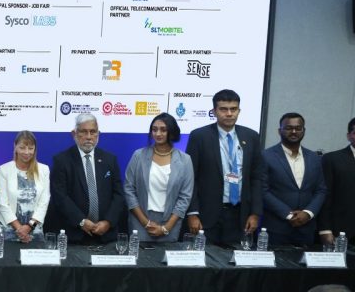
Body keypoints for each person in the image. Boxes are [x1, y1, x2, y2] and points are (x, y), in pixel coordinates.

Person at [185, 89, 264, 245]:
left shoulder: (251, 136)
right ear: (214, 111)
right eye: (223, 109)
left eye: (233, 109)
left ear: (239, 111)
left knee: (238, 258)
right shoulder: (199, 136)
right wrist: (192, 213)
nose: (229, 114)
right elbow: (190, 177)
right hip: (207, 215)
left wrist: (255, 213)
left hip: (241, 215)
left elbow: (257, 178)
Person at [49, 113, 124, 244]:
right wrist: (81, 221)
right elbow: (60, 196)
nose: (89, 137)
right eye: (84, 132)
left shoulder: (110, 160)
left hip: (106, 234)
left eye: (93, 132)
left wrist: (108, 222)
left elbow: (118, 194)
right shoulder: (62, 160)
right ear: (74, 134)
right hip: (74, 234)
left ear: (98, 134)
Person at [123, 113, 194, 243]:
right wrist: (146, 223)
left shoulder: (185, 160)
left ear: (172, 132)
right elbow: (129, 189)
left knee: (166, 256)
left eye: (163, 130)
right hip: (140, 220)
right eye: (154, 129)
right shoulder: (138, 155)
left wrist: (166, 228)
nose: (158, 133)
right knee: (140, 255)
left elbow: (185, 197)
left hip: (171, 222)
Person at [261, 113, 327, 245]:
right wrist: (288, 214)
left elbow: (321, 190)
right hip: (276, 228)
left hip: (306, 228)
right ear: (279, 131)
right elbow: (262, 190)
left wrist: (308, 213)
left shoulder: (314, 158)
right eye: (288, 128)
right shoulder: (265, 156)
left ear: (304, 131)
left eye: (298, 128)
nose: (294, 132)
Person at [0, 131, 49, 243]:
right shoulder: (4, 170)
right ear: (15, 146)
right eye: (22, 148)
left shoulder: (44, 170)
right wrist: (20, 229)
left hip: (34, 230)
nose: (27, 152)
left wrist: (29, 226)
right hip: (8, 230)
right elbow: (3, 203)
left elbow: (44, 202)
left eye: (30, 148)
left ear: (35, 149)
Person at [319, 117, 355, 246]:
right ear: (349, 136)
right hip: (342, 232)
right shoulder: (332, 159)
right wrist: (325, 229)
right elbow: (324, 195)